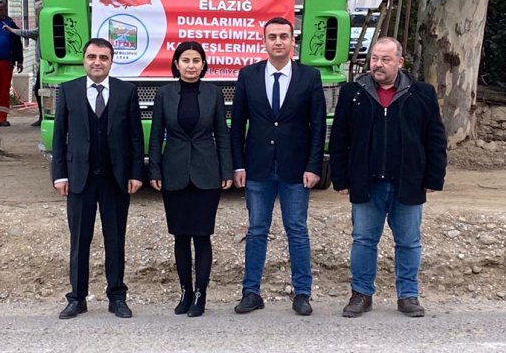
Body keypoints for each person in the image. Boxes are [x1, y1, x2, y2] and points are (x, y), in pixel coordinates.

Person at [328, 36, 447, 318]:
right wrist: (341, 178)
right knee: (363, 240)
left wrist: (434, 176)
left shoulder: (422, 93)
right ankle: (361, 294)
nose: (378, 65)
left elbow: (435, 138)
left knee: (408, 242)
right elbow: (339, 140)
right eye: (374, 59)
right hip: (366, 183)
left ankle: (408, 296)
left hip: (408, 182)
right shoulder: (352, 93)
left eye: (385, 59)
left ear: (400, 62)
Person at [230, 16, 326, 317]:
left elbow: (318, 125)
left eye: (284, 36)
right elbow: (238, 125)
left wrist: (314, 165)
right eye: (272, 36)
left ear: (292, 40)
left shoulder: (309, 77)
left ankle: (302, 293)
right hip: (257, 168)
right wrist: (238, 165)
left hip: (296, 170)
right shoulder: (248, 75)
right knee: (257, 229)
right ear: (264, 41)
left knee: (296, 230)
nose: (278, 42)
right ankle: (251, 292)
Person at [52, 37, 144, 320]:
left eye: (103, 57)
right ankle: (77, 298)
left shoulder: (126, 92)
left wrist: (135, 173)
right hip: (79, 179)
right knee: (79, 240)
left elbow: (135, 138)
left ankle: (117, 297)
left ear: (111, 61)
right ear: (84, 59)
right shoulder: (68, 90)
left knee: (115, 240)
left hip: (115, 179)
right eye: (92, 56)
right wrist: (59, 175)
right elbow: (59, 138)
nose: (97, 62)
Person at [148, 41, 233, 317]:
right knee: (180, 237)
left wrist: (227, 171)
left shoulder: (213, 94)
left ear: (203, 64)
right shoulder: (164, 94)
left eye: (196, 60)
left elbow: (222, 133)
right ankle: (184, 291)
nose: (191, 65)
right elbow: (156, 134)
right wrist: (155, 169)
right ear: (176, 64)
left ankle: (200, 294)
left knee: (202, 236)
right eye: (186, 60)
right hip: (173, 172)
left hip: (207, 174)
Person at [3, 0, 43, 127]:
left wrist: (11, 30)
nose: (36, 15)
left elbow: (26, 33)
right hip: (41, 64)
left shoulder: (43, 29)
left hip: (45, 64)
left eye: (37, 13)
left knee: (39, 90)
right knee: (39, 90)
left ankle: (43, 116)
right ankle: (42, 116)